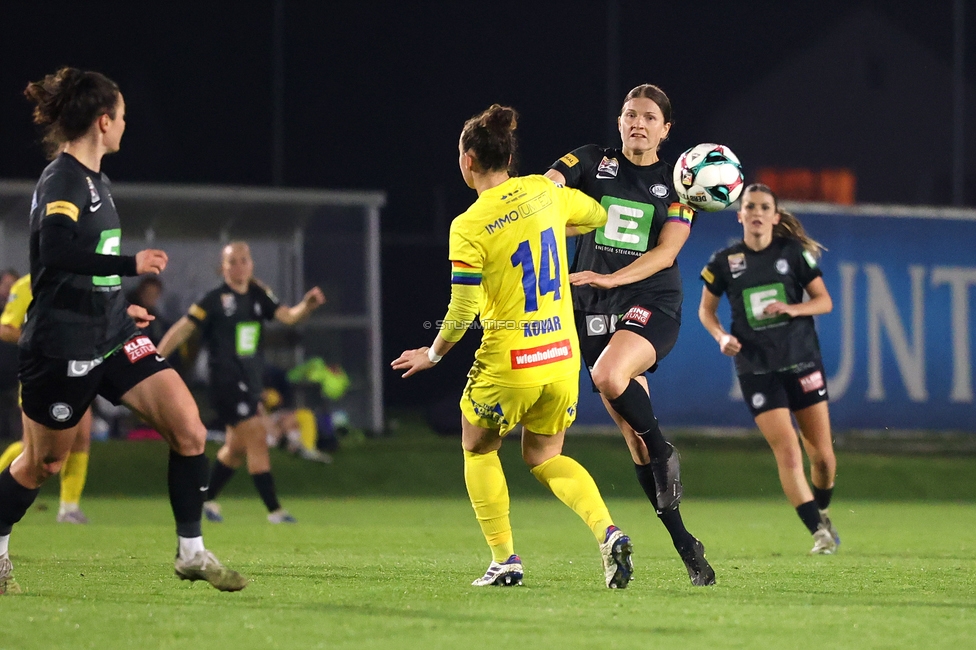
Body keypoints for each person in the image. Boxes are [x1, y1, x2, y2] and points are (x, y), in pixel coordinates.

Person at [0, 67, 246, 596]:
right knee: (42, 462)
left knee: (190, 430)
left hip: (110, 331)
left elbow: (90, 261)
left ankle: (191, 552)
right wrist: (134, 265)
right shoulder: (62, 180)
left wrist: (118, 304)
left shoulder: (97, 182)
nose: (126, 126)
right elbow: (59, 251)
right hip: (61, 343)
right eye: (124, 117)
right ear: (103, 121)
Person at [392, 104, 634, 589]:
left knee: (478, 446)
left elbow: (461, 311)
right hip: (563, 355)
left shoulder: (468, 224)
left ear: (467, 161)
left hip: (513, 359)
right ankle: (607, 532)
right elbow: (598, 214)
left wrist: (432, 354)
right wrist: (545, 221)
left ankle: (505, 560)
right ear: (508, 157)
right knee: (545, 456)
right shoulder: (546, 191)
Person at [546, 83, 715, 586]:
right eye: (629, 115)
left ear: (666, 128)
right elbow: (549, 184)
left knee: (608, 375)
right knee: (634, 442)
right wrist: (543, 198)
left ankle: (665, 449)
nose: (636, 124)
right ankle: (687, 544)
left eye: (648, 117)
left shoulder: (678, 182)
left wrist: (611, 277)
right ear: (619, 122)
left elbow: (667, 252)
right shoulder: (592, 160)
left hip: (652, 301)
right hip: (594, 306)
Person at [698, 183, 840, 554]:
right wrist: (719, 337)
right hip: (757, 368)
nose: (757, 212)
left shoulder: (792, 254)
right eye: (750, 206)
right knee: (788, 451)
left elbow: (824, 301)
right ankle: (818, 533)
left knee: (823, 458)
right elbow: (706, 311)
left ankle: (821, 510)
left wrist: (794, 308)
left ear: (775, 217)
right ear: (740, 215)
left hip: (802, 361)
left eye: (764, 207)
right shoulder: (724, 262)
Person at [158, 242, 325, 524]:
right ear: (223, 268)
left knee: (235, 449)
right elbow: (184, 327)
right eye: (232, 261)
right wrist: (156, 356)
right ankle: (275, 510)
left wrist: (307, 306)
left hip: (251, 382)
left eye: (244, 260)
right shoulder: (214, 299)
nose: (239, 266)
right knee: (258, 435)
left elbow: (288, 317)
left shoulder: (259, 294)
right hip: (225, 382)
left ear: (251, 264)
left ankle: (206, 499)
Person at [0, 273, 92, 524]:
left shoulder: (78, 280)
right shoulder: (27, 284)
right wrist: (42, 343)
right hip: (41, 372)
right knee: (33, 448)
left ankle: (69, 507)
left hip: (78, 368)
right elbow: (6, 327)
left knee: (82, 436)